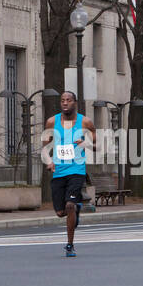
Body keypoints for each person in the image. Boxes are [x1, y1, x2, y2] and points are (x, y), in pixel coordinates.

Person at [46, 90, 93, 257]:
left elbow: (96, 145)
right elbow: (45, 145)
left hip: (76, 170)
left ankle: (69, 245)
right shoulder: (52, 122)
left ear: (75, 103)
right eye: (62, 100)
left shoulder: (85, 122)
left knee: (69, 205)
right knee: (61, 212)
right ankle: (76, 210)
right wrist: (49, 161)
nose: (65, 103)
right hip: (59, 171)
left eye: (68, 100)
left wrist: (86, 143)